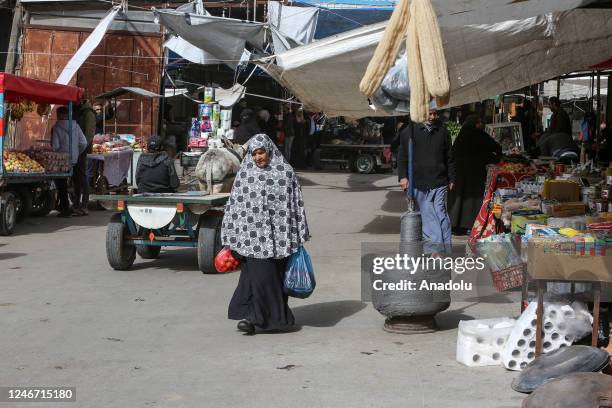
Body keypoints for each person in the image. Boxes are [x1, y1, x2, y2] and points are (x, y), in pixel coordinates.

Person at [223, 134, 310, 334]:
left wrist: (299, 233)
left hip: (280, 239)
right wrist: (230, 235)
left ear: (269, 151)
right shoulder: (245, 174)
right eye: (254, 154)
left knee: (275, 279)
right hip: (251, 239)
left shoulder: (285, 173)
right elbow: (234, 206)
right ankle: (254, 318)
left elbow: (296, 205)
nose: (258, 158)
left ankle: (277, 319)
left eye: (261, 152)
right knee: (259, 278)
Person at [397, 108, 455, 254]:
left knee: (441, 214)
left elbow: (449, 157)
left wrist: (452, 177)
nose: (432, 117)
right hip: (418, 182)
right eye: (429, 113)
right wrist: (402, 177)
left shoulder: (442, 131)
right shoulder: (409, 131)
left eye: (435, 114)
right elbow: (402, 157)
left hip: (439, 180)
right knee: (428, 215)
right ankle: (436, 250)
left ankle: (444, 249)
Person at [448, 115, 502, 234]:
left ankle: (455, 225)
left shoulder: (461, 135)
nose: (481, 125)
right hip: (475, 171)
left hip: (459, 171)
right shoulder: (479, 134)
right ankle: (471, 224)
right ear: (477, 124)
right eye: (480, 123)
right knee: (473, 198)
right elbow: (496, 147)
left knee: (460, 197)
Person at [52, 106, 88, 217]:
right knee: (77, 182)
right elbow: (84, 143)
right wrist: (76, 152)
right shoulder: (76, 126)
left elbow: (55, 146)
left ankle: (65, 208)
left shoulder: (56, 127)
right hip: (75, 159)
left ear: (59, 115)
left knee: (61, 183)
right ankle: (78, 205)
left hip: (62, 160)